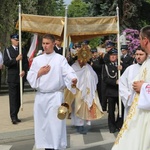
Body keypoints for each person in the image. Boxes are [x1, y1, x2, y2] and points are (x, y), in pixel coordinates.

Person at [27, 34, 77, 150]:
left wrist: (72, 79)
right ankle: (45, 146)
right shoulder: (37, 60)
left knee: (55, 124)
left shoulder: (60, 59)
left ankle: (56, 146)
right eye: (43, 43)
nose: (45, 46)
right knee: (42, 124)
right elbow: (31, 76)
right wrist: (39, 73)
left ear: (53, 44)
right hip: (41, 96)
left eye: (47, 43)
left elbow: (67, 72)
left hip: (55, 96)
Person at [112, 25, 150, 150]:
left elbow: (143, 85)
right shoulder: (146, 62)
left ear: (145, 41)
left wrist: (143, 87)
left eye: (140, 39)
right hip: (140, 112)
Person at [65, 46, 104, 134]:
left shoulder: (88, 67)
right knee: (77, 106)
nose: (82, 61)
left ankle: (83, 124)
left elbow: (94, 77)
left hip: (87, 90)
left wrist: (90, 82)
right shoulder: (73, 67)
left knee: (85, 107)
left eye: (84, 59)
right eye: (81, 59)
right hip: (78, 90)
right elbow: (69, 77)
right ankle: (79, 125)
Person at [3, 34, 29, 124]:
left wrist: (24, 71)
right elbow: (6, 62)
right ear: (12, 40)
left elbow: (26, 62)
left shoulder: (23, 50)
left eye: (18, 40)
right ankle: (13, 116)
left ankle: (16, 115)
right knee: (13, 98)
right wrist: (16, 59)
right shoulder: (7, 50)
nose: (17, 41)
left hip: (20, 77)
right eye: (16, 40)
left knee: (19, 98)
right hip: (12, 78)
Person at [119, 47, 147, 119]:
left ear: (146, 55)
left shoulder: (148, 67)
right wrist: (127, 95)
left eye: (141, 54)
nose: (138, 57)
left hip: (146, 102)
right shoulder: (130, 69)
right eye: (136, 54)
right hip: (132, 101)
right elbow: (122, 83)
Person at [103, 48, 123, 133]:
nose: (113, 57)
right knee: (111, 111)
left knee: (121, 109)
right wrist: (115, 82)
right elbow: (105, 79)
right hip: (111, 91)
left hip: (120, 92)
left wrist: (121, 70)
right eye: (112, 55)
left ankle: (119, 124)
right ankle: (112, 126)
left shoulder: (121, 65)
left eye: (115, 55)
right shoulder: (106, 66)